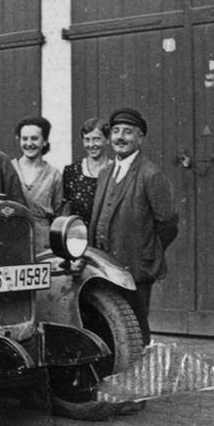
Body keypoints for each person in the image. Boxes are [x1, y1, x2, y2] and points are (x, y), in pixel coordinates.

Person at [89, 107, 179, 334]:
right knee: (108, 323)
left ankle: (140, 368)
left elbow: (168, 223)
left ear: (140, 138)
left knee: (135, 327)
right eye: (116, 131)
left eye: (128, 132)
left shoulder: (150, 174)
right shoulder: (105, 173)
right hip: (103, 264)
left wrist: (146, 250)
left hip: (135, 266)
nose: (120, 137)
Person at [11, 116, 63, 251]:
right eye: (24, 139)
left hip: (43, 241)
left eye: (34, 138)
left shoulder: (54, 174)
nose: (29, 143)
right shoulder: (9, 169)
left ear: (44, 141)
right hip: (13, 235)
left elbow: (58, 213)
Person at [62, 117, 112, 226]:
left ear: (107, 139)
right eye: (87, 140)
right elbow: (66, 209)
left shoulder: (116, 170)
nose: (91, 145)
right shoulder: (72, 171)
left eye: (96, 139)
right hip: (78, 237)